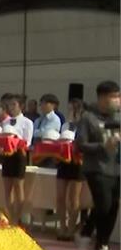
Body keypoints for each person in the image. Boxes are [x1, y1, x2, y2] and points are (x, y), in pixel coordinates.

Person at [75, 80, 121, 250]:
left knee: (113, 206)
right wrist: (103, 146)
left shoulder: (117, 117)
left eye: (119, 96)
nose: (117, 100)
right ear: (102, 98)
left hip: (116, 168)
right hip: (96, 168)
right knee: (103, 203)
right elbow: (81, 145)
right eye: (114, 97)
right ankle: (86, 233)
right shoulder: (88, 118)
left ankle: (102, 245)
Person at [0, 93, 34, 226]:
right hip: (7, 156)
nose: (11, 107)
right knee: (7, 188)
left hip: (19, 155)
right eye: (9, 105)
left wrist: (15, 141)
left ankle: (17, 217)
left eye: (14, 104)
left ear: (21, 106)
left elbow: (28, 142)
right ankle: (9, 216)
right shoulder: (5, 121)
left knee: (18, 187)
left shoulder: (27, 122)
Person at [56, 97, 85, 241]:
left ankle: (72, 228)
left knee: (73, 199)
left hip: (77, 163)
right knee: (60, 197)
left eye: (72, 109)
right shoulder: (65, 125)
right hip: (63, 162)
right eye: (69, 109)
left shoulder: (84, 125)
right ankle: (62, 226)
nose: (70, 112)